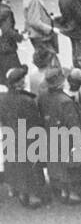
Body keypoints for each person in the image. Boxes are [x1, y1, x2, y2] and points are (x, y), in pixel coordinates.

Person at [0, 66, 46, 206]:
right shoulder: (27, 100)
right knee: (31, 167)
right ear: (18, 83)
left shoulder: (3, 99)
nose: (24, 81)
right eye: (22, 79)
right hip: (27, 137)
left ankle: (21, 193)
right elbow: (36, 121)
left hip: (10, 135)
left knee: (16, 166)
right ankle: (33, 197)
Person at [22, 0, 60, 72]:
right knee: (51, 62)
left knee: (46, 62)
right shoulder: (33, 0)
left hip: (36, 37)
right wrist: (51, 29)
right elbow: (34, 21)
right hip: (42, 37)